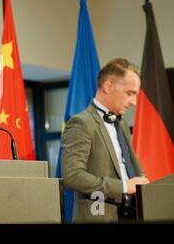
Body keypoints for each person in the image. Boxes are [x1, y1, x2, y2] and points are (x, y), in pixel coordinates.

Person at [62, 58, 150, 223]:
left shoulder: (121, 122)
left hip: (132, 214)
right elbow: (72, 176)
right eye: (129, 93)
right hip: (100, 216)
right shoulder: (81, 123)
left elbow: (127, 165)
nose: (134, 102)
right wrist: (124, 187)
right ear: (109, 86)